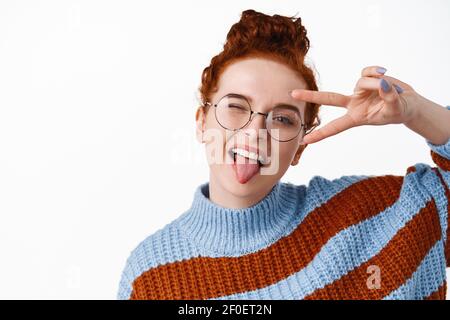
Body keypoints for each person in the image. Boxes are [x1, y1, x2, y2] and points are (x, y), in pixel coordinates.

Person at [118, 9, 450, 300]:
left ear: (299, 148)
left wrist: (416, 112)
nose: (254, 132)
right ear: (201, 122)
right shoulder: (151, 276)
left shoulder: (370, 218)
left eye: (282, 118)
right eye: (236, 107)